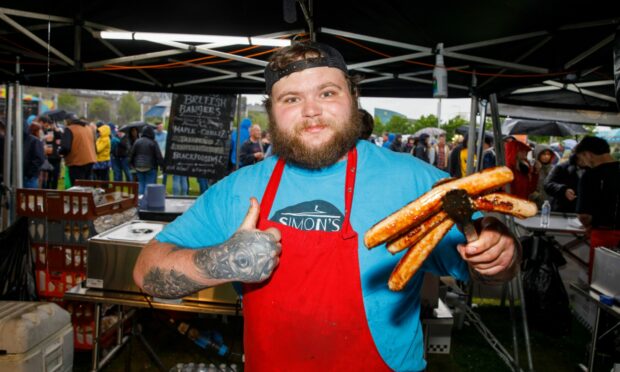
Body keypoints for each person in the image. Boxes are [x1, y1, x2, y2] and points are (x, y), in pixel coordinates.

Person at [133, 42, 520, 371]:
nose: (311, 110)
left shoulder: (416, 181)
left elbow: (489, 269)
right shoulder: (239, 189)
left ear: (353, 98)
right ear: (271, 112)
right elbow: (146, 270)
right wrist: (220, 261)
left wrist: (501, 253)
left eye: (327, 93)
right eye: (291, 98)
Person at [574, 136, 620, 278]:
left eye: (582, 158)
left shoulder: (590, 176)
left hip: (604, 234)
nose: (584, 163)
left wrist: (587, 224)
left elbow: (584, 216)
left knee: (603, 281)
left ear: (588, 154)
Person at [59, 115, 97, 185]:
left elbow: (66, 147)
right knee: (87, 184)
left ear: (67, 121)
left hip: (77, 161)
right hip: (90, 159)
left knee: (77, 187)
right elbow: (94, 144)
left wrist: (59, 152)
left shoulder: (69, 129)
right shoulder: (88, 128)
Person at [128, 125, 164, 195]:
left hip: (138, 167)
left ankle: (140, 201)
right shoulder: (153, 142)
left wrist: (131, 166)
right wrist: (162, 166)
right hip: (151, 167)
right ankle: (147, 202)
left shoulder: (137, 141)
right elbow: (158, 156)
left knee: (141, 184)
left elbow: (131, 155)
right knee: (149, 186)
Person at [38, 115, 62, 189]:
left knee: (55, 175)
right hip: (48, 156)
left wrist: (55, 129)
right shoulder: (45, 131)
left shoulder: (58, 131)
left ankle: (54, 190)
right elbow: (42, 140)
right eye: (49, 124)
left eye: (52, 124)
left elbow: (60, 138)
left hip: (56, 157)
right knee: (48, 176)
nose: (50, 125)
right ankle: (47, 188)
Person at [23, 122, 45, 188]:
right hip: (29, 176)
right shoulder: (35, 141)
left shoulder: (32, 140)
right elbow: (39, 158)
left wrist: (30, 173)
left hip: (28, 175)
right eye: (40, 130)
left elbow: (39, 159)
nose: (41, 132)